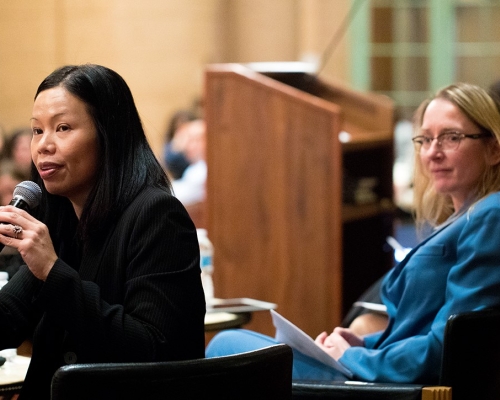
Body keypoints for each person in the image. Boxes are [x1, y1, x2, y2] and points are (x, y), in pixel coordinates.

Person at [206, 82, 500, 384]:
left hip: (396, 388)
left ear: (493, 149)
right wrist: (362, 344)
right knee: (231, 344)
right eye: (426, 139)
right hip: (383, 373)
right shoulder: (465, 216)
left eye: (451, 137)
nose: (433, 152)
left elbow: (452, 347)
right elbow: (416, 331)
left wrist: (350, 357)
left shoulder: (491, 214)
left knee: (226, 346)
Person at [0, 64, 206, 399]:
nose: (43, 146)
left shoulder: (157, 216)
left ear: (109, 134)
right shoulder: (60, 219)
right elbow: (8, 318)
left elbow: (154, 351)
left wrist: (53, 271)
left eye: (62, 128)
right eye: (37, 131)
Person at [171, 119, 207, 206]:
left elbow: (177, 196)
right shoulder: (195, 169)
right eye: (188, 140)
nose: (187, 145)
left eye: (195, 140)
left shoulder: (202, 171)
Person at [163, 109, 197, 180]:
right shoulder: (170, 146)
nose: (181, 133)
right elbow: (170, 164)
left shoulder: (196, 144)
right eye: (178, 129)